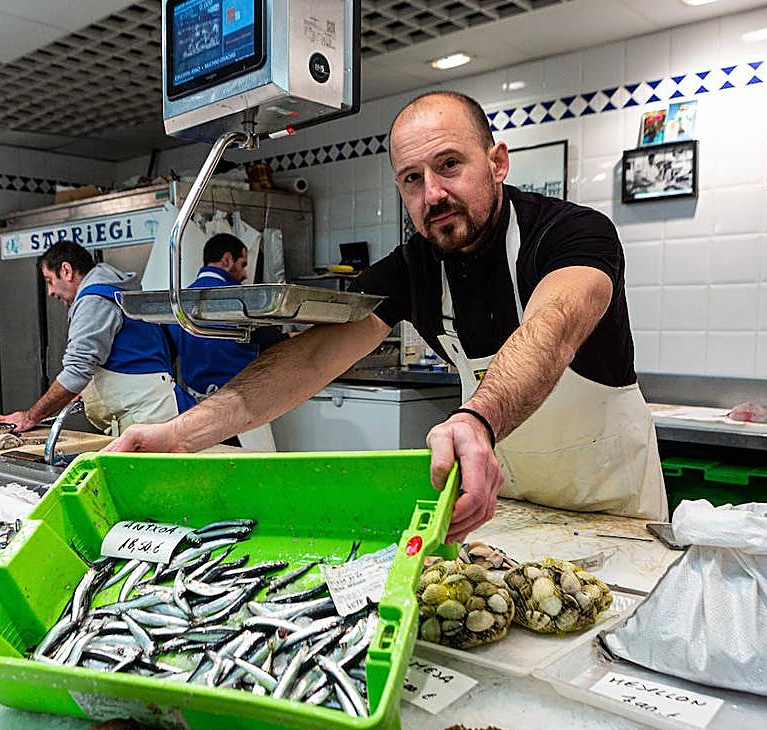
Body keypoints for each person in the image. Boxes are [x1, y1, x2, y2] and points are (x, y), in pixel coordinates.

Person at [108, 90, 665, 542]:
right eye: (412, 178)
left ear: (497, 162)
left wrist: (476, 420)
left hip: (612, 513)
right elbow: (306, 360)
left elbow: (552, 331)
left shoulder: (574, 234)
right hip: (504, 507)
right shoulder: (415, 266)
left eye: (450, 165)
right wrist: (182, 434)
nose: (434, 193)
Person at [0, 241, 193, 434]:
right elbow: (125, 358)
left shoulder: (94, 300)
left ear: (66, 271)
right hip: (151, 413)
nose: (50, 292)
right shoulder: (112, 292)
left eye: (50, 281)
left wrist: (30, 417)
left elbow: (77, 371)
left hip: (151, 418)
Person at [167, 233, 286, 403]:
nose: (245, 274)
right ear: (227, 260)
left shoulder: (180, 303)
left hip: (195, 403)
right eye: (243, 264)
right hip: (243, 401)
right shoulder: (242, 300)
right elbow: (272, 343)